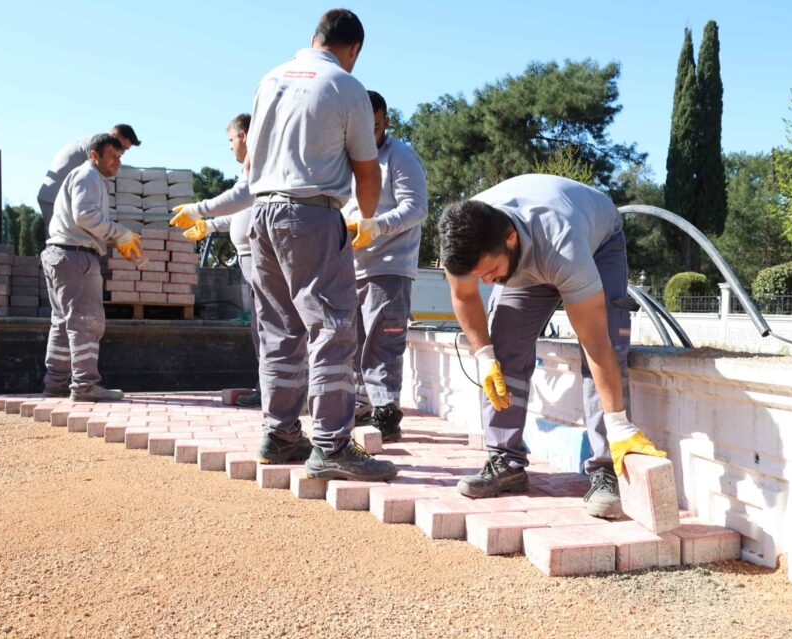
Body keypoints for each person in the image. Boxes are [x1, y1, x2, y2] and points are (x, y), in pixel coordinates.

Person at [438, 174, 665, 518]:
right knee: (504, 350)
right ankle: (506, 462)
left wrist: (618, 422)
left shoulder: (564, 245)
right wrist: (484, 356)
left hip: (595, 241)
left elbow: (594, 341)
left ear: (510, 239)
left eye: (491, 271)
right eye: (479, 275)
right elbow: (464, 295)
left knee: (603, 349)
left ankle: (607, 466)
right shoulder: (463, 242)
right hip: (529, 252)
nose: (486, 282)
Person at [243, 8, 396, 481]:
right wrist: (364, 221)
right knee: (332, 327)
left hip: (262, 214)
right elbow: (367, 171)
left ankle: (281, 433)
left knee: (280, 330)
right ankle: (330, 444)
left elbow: (250, 161)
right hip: (311, 214)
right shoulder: (345, 85)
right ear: (353, 50)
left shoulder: (270, 78)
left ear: (314, 38)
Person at [342, 90, 428, 442]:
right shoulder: (344, 159)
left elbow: (416, 208)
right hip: (348, 265)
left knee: (383, 341)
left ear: (386, 123)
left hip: (389, 265)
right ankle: (363, 404)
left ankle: (386, 411)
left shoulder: (401, 157)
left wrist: (376, 224)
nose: (367, 136)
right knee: (352, 342)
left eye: (374, 128)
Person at [40, 133, 143, 402]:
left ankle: (55, 384)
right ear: (94, 155)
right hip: (75, 257)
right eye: (112, 156)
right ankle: (85, 386)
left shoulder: (87, 177)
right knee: (85, 322)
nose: (117, 162)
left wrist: (109, 238)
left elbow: (83, 220)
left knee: (62, 324)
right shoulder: (89, 176)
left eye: (120, 157)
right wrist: (120, 233)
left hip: (62, 254)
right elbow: (85, 216)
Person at [168, 113, 261, 408]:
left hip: (260, 256)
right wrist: (210, 225)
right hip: (250, 257)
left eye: (231, 140)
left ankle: (276, 391)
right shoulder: (253, 166)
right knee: (262, 327)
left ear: (244, 135)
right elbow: (242, 211)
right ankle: (270, 388)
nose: (231, 147)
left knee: (269, 327)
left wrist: (199, 210)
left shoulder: (259, 162)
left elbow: (243, 198)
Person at [37, 124, 140, 237]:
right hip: (55, 197)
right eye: (123, 146)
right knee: (61, 238)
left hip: (57, 196)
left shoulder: (92, 143)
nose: (122, 152)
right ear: (113, 135)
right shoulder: (93, 148)